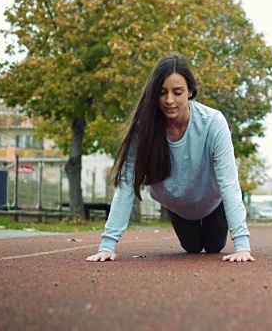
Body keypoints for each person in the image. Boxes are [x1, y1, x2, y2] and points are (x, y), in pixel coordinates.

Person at [86, 54, 254, 263]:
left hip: (211, 202)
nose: (169, 100)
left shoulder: (213, 122)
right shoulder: (143, 129)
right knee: (192, 247)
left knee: (213, 247)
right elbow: (126, 185)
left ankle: (215, 231)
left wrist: (242, 246)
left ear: (190, 91)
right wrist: (107, 245)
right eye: (162, 92)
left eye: (177, 92)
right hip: (177, 204)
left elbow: (229, 183)